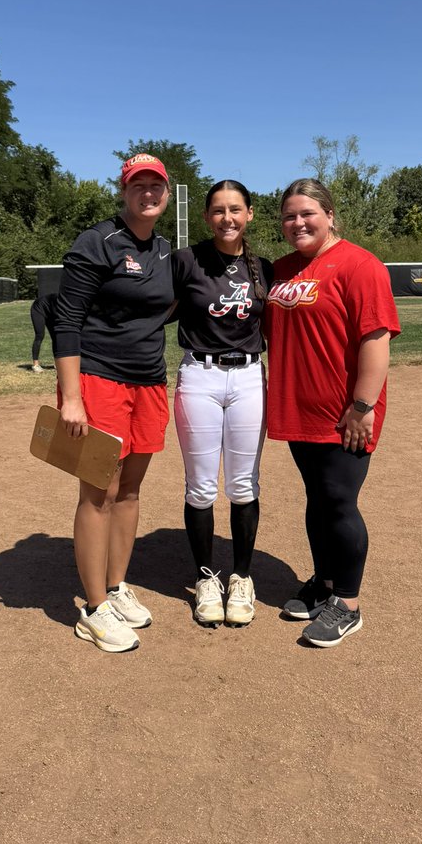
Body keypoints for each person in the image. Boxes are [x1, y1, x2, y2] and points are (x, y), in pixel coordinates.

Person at [265, 179, 400, 648]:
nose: (297, 223)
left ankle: (348, 602)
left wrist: (362, 406)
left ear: (329, 215)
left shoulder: (359, 265)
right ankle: (323, 584)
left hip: (345, 411)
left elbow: (376, 340)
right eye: (288, 216)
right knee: (317, 497)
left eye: (307, 214)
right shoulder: (282, 269)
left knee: (340, 500)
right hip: (297, 406)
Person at [55, 151, 174, 654]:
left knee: (130, 490)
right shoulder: (96, 242)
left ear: (166, 193)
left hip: (149, 382)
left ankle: (118, 586)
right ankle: (94, 606)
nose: (147, 193)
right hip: (100, 381)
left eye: (156, 185)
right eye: (137, 185)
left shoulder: (168, 251)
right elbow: (66, 320)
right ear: (123, 191)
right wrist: (71, 397)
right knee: (97, 493)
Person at [172, 181, 273, 628]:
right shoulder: (186, 260)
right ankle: (207, 578)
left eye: (235, 209)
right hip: (200, 376)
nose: (227, 218)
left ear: (249, 213)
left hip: (250, 377)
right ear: (206, 216)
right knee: (200, 487)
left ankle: (242, 577)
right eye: (218, 210)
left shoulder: (265, 268)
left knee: (244, 486)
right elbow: (149, 307)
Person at [29, 291, 57, 372]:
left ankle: (57, 362)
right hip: (38, 309)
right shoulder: (58, 300)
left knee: (55, 337)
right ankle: (35, 365)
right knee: (39, 335)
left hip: (49, 311)